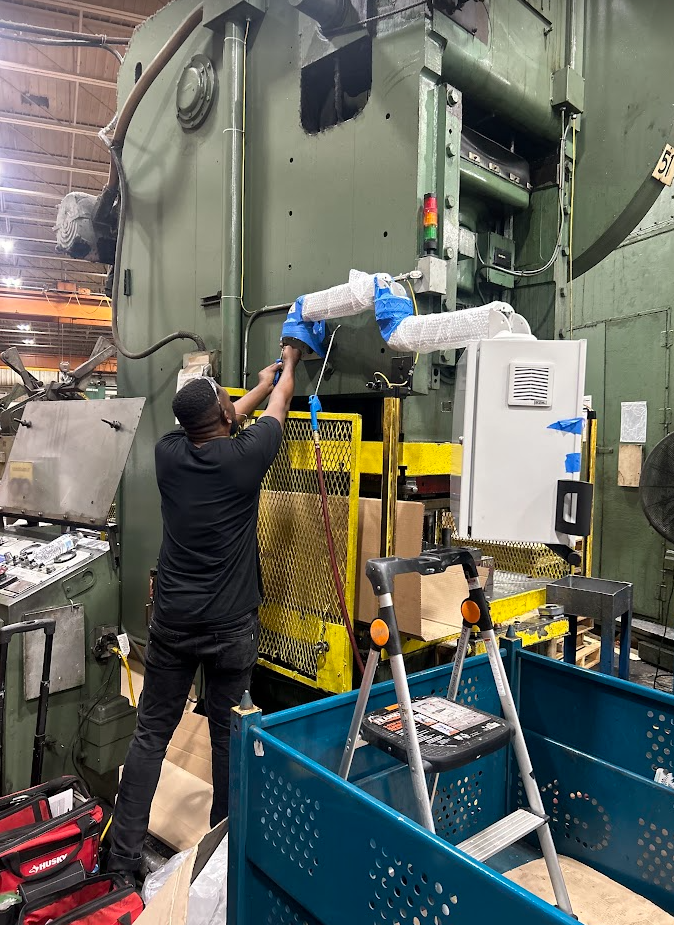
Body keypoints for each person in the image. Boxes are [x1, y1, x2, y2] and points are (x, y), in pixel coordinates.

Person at [107, 344, 302, 875]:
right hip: (230, 628)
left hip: (172, 623)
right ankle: (219, 858)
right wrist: (288, 364)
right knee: (226, 736)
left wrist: (256, 386)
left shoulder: (169, 453)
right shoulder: (247, 459)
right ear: (222, 414)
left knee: (151, 736)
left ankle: (121, 860)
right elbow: (281, 404)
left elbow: (234, 415)